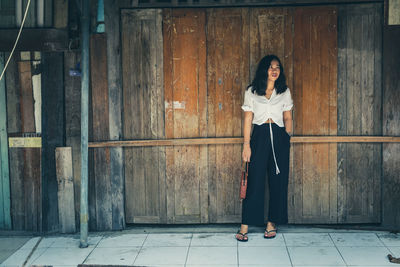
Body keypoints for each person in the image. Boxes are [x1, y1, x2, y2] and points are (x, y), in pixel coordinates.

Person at [235, 55, 293, 242]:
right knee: (255, 180)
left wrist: (286, 136)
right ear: (264, 70)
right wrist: (246, 145)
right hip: (259, 137)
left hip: (279, 137)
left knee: (278, 181)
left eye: (277, 67)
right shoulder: (252, 91)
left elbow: (288, 117)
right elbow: (248, 119)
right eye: (270, 67)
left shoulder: (284, 91)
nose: (274, 70)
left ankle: (272, 223)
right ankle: (245, 225)